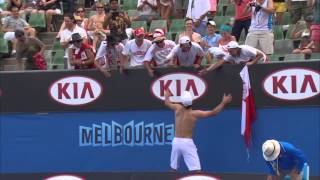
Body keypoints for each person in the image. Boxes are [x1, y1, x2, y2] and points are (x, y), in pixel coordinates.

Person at [164, 90, 232, 171]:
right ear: (192, 101)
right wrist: (223, 102)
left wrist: (167, 95)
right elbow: (214, 112)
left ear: (182, 102)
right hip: (187, 143)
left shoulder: (177, 108)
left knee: (173, 169)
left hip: (176, 142)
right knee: (196, 171)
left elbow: (167, 103)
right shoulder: (194, 114)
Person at [199, 41, 266, 74]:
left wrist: (252, 62)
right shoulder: (230, 55)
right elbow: (219, 63)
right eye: (228, 51)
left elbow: (260, 55)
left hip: (261, 60)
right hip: (250, 62)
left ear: (236, 49)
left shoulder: (245, 49)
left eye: (231, 51)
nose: (229, 53)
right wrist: (207, 70)